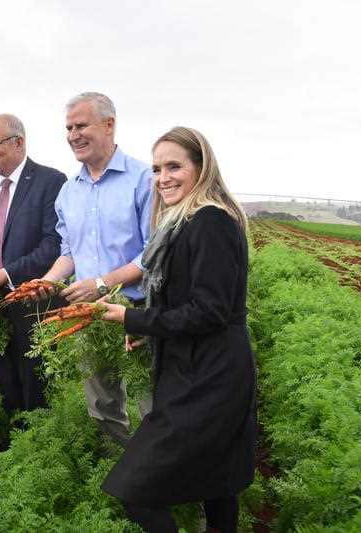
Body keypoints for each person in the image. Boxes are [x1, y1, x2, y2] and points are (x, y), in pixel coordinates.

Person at [98, 127, 256, 533]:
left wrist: (134, 319)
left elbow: (210, 310)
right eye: (156, 168)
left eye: (174, 166)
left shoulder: (210, 223)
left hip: (210, 376)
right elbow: (188, 300)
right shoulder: (182, 223)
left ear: (201, 168)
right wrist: (151, 329)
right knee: (219, 483)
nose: (163, 177)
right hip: (195, 368)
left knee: (135, 489)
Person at [36, 92, 153, 446]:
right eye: (69, 127)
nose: (73, 134)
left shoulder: (143, 179)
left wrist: (103, 283)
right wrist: (48, 280)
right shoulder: (69, 192)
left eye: (81, 125)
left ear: (109, 124)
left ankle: (160, 474)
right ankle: (124, 465)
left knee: (152, 400)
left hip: (138, 309)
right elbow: (69, 252)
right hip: (89, 313)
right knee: (102, 401)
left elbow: (154, 252)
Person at [0, 113, 67, 415]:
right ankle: (15, 439)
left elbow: (53, 244)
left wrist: (7, 274)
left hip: (35, 299)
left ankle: (40, 446)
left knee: (38, 382)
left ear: (18, 142)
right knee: (6, 377)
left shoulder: (51, 181)